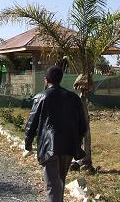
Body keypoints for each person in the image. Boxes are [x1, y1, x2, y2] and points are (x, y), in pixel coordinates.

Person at [24, 66, 87, 202]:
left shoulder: (41, 97)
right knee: (60, 181)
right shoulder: (74, 98)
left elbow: (31, 123)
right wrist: (76, 142)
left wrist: (28, 143)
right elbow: (83, 126)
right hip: (69, 147)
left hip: (49, 148)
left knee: (53, 185)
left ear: (46, 80)